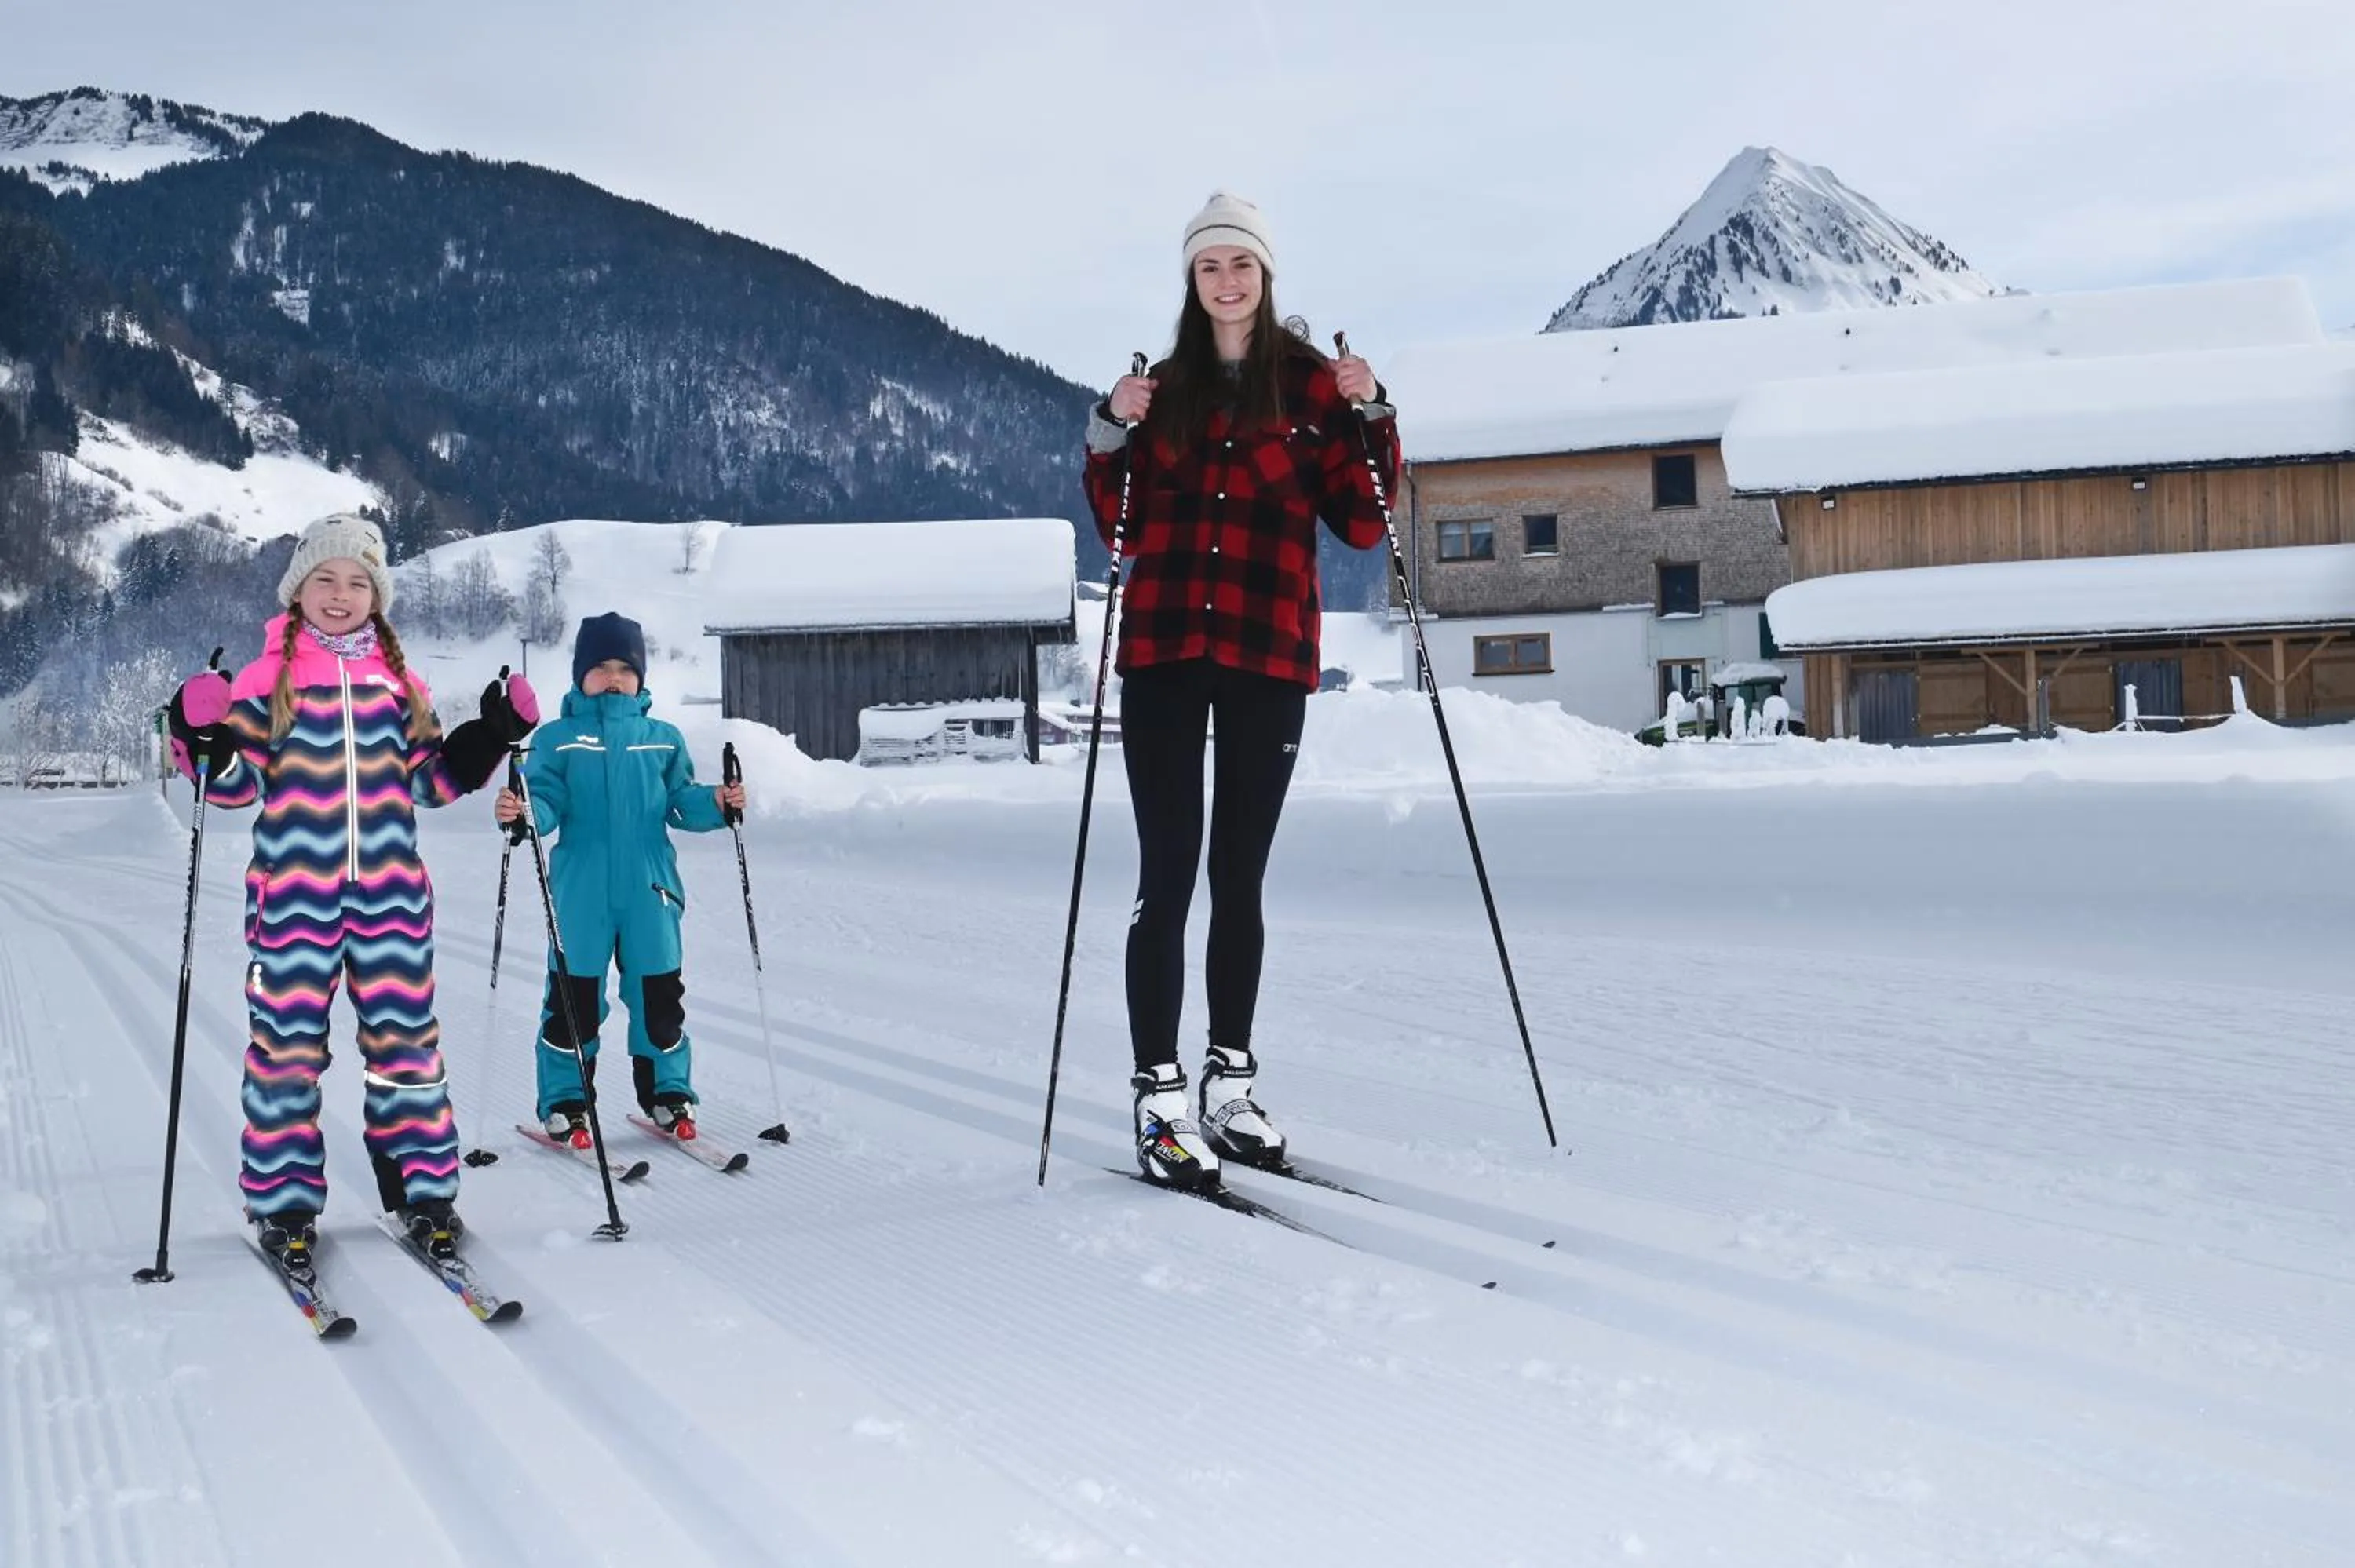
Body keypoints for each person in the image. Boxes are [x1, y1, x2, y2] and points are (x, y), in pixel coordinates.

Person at [1081, 191, 1400, 1189]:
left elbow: (1362, 520)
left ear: (1266, 279)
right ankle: (1158, 1098)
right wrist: (1107, 431)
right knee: (1165, 875)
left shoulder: (1312, 389)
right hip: (1167, 652)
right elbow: (1122, 531)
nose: (1228, 281)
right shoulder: (1160, 388)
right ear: (1192, 281)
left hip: (1268, 652)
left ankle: (1231, 1083)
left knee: (1241, 877)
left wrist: (1373, 412)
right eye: (1210, 266)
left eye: (1243, 266)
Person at [166, 514, 535, 1266]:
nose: (341, 593)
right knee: (287, 1055)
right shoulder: (267, 680)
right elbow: (231, 787)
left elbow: (430, 783)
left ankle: (423, 1194)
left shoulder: (399, 683)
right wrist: (196, 736)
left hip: (391, 900)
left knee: (407, 1053)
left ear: (377, 595)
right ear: (298, 590)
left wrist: (489, 736)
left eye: (357, 581)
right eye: (325, 579)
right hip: (294, 900)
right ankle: (285, 1206)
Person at [492, 612, 744, 1146]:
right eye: (601, 667)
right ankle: (566, 1102)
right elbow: (547, 804)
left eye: (625, 668)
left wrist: (717, 803)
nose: (613, 678)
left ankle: (668, 1095)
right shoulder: (557, 740)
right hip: (581, 893)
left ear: (641, 676)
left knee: (659, 1000)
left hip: (651, 891)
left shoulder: (662, 739)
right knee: (574, 1002)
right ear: (580, 674)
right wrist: (522, 812)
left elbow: (680, 802)